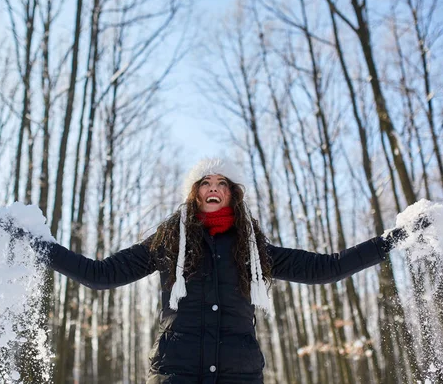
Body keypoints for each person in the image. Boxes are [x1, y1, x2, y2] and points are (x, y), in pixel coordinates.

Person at [25, 158, 415, 384]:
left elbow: (327, 268)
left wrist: (395, 238)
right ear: (194, 192)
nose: (213, 187)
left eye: (221, 182)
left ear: (233, 193)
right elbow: (100, 274)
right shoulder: (167, 243)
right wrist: (35, 243)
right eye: (205, 182)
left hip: (238, 376)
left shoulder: (255, 251)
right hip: (177, 374)